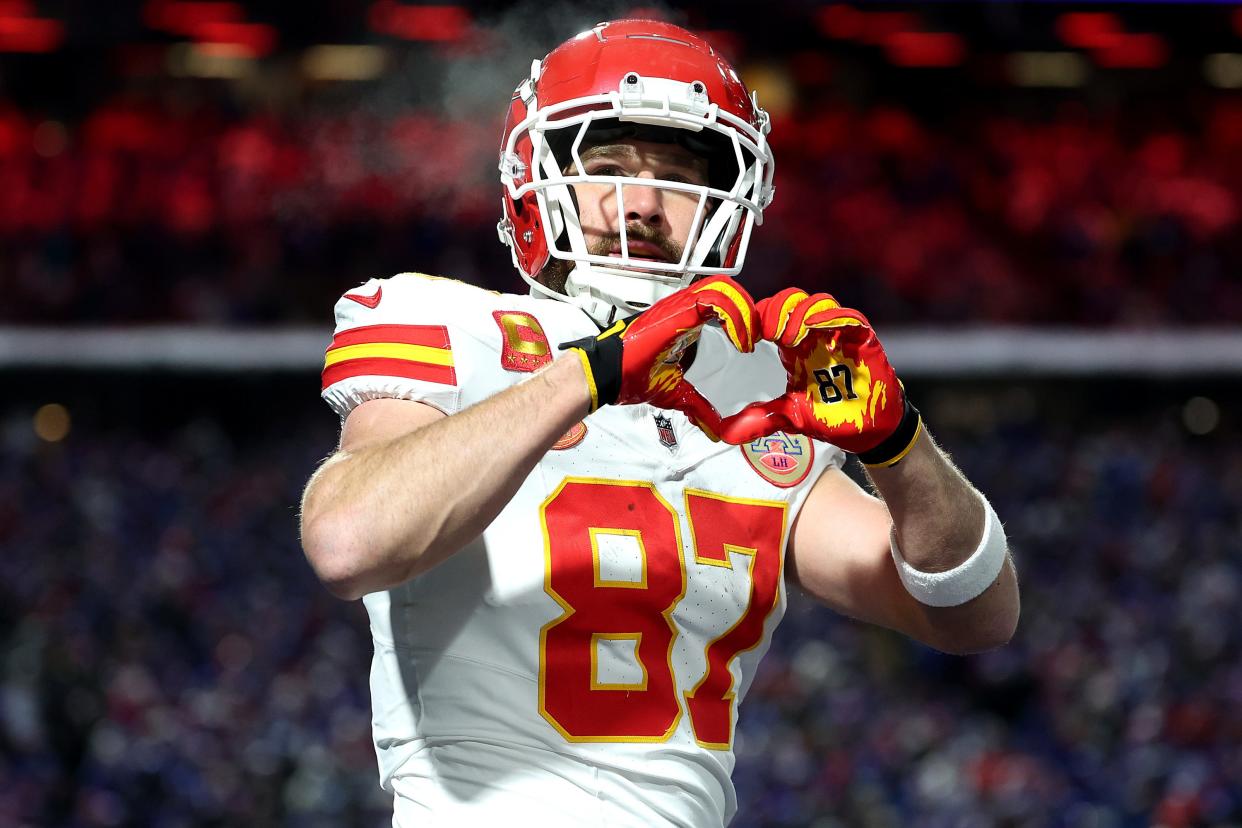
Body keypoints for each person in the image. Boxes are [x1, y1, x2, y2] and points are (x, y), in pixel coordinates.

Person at [299, 18, 1019, 827]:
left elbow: (974, 615)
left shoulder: (757, 385)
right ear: (536, 184)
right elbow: (348, 539)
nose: (640, 205)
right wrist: (597, 369)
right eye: (606, 169)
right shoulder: (445, 319)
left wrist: (899, 446)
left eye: (676, 177)